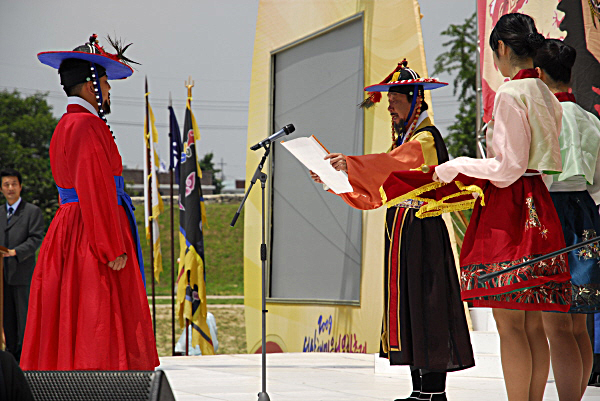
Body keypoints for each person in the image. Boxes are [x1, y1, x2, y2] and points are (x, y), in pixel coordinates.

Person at [310, 60, 474, 401]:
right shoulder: (404, 142)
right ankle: (418, 390)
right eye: (388, 104)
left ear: (415, 101)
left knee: (428, 305)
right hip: (403, 233)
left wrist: (352, 164)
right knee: (410, 307)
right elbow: (377, 188)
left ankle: (433, 392)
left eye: (395, 103)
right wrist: (336, 179)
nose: (390, 109)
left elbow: (392, 167)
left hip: (424, 232)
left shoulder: (425, 140)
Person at [432, 13, 571, 401]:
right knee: (531, 326)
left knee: (510, 325)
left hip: (510, 209)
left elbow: (506, 167)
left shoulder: (510, 94)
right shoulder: (546, 92)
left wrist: (457, 165)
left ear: (503, 48)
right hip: (539, 206)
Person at [20, 35, 159, 370]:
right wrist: (110, 246)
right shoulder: (86, 126)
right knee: (96, 310)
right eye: (106, 82)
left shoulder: (66, 124)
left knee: (72, 307)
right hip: (91, 232)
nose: (109, 91)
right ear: (90, 85)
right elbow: (94, 190)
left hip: (72, 228)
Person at [534, 38, 600, 400]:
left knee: (556, 324)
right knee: (578, 326)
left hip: (551, 214)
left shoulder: (544, 117)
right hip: (585, 212)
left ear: (539, 73)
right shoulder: (590, 119)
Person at [0, 169, 44, 363]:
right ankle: (10, 359)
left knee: (24, 320)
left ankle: (26, 360)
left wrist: (15, 252)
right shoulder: (0, 212)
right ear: (1, 189)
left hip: (22, 274)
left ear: (20, 186)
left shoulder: (32, 212)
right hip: (2, 276)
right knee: (6, 319)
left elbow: (36, 238)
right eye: (6, 185)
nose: (10, 188)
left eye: (14, 184)